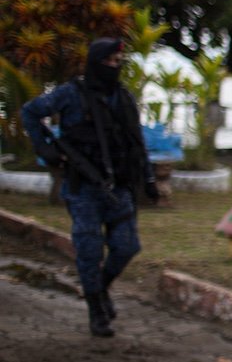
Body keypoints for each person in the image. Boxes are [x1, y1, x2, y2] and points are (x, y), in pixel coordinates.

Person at [21, 37, 158, 337]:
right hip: (83, 187)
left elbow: (136, 141)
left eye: (117, 63)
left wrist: (148, 178)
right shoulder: (71, 94)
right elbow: (30, 112)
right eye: (107, 62)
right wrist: (44, 149)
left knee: (126, 247)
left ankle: (100, 289)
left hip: (120, 187)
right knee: (89, 250)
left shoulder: (123, 98)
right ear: (95, 63)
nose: (112, 67)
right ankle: (96, 310)